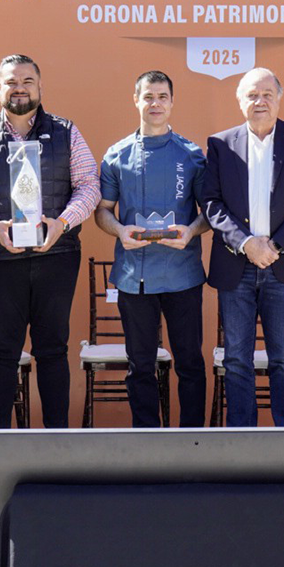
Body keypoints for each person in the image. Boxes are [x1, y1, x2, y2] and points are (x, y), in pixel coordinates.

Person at [0, 54, 100, 428]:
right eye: (11, 82)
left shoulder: (67, 131)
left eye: (27, 81)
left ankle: (56, 441)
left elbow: (89, 185)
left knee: (53, 350)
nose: (19, 88)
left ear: (40, 86)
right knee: (2, 352)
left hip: (57, 256)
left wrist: (62, 223)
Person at [202, 67, 284, 427]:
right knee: (236, 358)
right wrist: (246, 244)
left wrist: (275, 245)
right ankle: (242, 439)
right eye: (252, 95)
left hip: (283, 265)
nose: (260, 101)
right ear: (239, 101)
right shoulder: (220, 144)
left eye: (267, 94)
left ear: (279, 98)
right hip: (235, 266)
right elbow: (211, 203)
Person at [95, 70, 209, 427]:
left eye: (162, 97)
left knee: (190, 363)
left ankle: (192, 439)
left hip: (183, 275)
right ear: (136, 100)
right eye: (148, 96)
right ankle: (146, 439)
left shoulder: (192, 155)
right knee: (140, 365)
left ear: (172, 102)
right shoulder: (117, 156)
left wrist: (190, 231)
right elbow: (102, 211)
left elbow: (210, 213)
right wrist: (119, 230)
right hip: (135, 277)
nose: (155, 103)